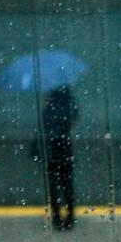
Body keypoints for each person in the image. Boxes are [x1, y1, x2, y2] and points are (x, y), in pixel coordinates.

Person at [32, 85, 79, 230]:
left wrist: (35, 149)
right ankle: (70, 216)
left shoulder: (49, 108)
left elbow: (43, 127)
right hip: (65, 148)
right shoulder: (68, 106)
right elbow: (75, 117)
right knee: (67, 184)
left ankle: (57, 217)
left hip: (51, 149)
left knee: (53, 184)